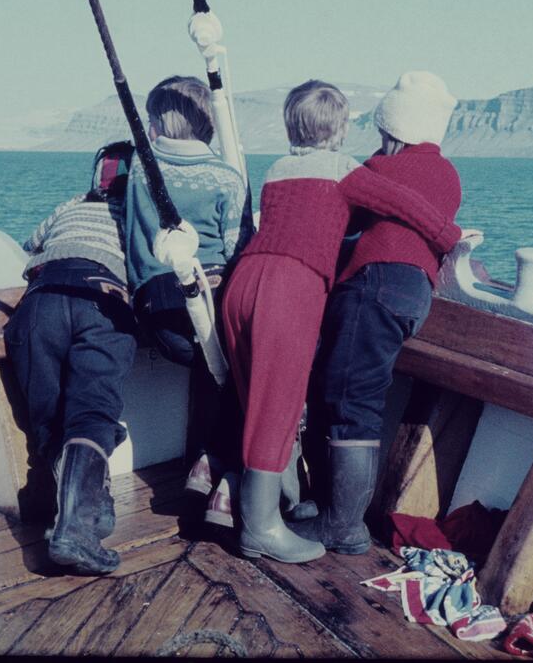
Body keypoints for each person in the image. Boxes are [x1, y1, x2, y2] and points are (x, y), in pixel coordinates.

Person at [220, 79, 463, 563]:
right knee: (284, 404)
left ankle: (277, 509)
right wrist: (448, 235)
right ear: (339, 131)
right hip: (299, 286)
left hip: (246, 278)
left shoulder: (276, 170)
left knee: (259, 401)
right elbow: (400, 207)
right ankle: (269, 526)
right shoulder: (356, 171)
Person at [293, 71, 464, 554]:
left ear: (394, 128)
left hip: (374, 283)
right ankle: (329, 506)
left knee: (347, 400)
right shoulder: (449, 174)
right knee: (352, 391)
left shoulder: (378, 168)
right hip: (414, 295)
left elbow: (340, 215)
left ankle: (342, 527)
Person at [3, 146, 137, 575]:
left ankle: (88, 504)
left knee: (49, 419)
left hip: (39, 303)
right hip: (101, 299)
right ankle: (75, 532)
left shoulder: (70, 205)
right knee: (92, 413)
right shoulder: (137, 215)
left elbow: (32, 242)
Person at [122, 76, 248, 500]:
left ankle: (203, 469)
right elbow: (235, 248)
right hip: (211, 299)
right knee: (237, 375)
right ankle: (217, 471)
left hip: (158, 310)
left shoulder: (141, 167)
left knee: (214, 372)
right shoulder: (227, 178)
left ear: (158, 123)